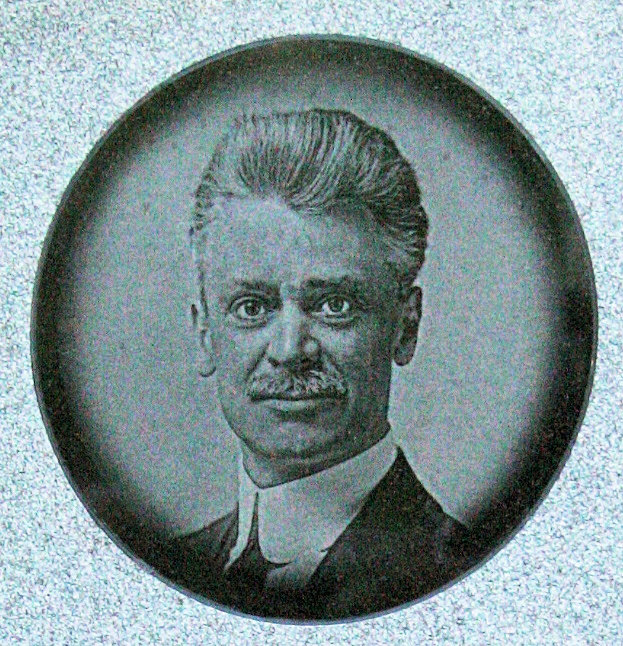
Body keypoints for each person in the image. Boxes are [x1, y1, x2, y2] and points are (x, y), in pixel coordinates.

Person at [155, 109, 479, 619]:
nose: (289, 351)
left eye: (334, 305)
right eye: (251, 308)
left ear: (406, 326)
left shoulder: (458, 572)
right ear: (204, 333)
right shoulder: (169, 570)